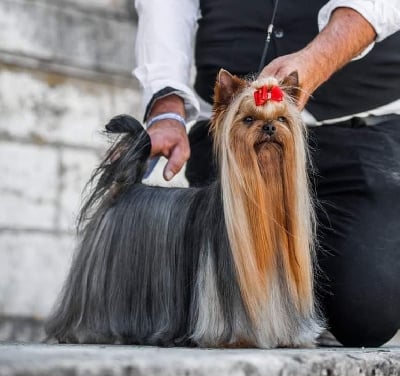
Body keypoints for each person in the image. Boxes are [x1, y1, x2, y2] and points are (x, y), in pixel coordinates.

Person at [133, 0, 400, 346]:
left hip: (361, 132)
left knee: (367, 311)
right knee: (227, 286)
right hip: (229, 145)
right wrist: (166, 105)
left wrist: (317, 60)